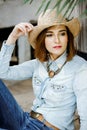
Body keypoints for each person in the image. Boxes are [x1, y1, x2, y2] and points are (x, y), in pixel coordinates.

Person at [0, 8, 87, 130]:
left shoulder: (80, 68)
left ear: (68, 37)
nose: (57, 40)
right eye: (50, 35)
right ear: (43, 40)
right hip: (27, 120)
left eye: (62, 33)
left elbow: (86, 114)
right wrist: (13, 37)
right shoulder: (38, 63)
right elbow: (2, 72)